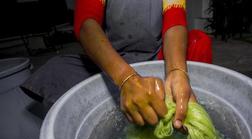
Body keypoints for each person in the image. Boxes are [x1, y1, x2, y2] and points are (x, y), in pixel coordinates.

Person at [21, 0, 212, 129]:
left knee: (198, 43)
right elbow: (86, 24)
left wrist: (176, 71)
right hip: (112, 60)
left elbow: (175, 23)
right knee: (57, 70)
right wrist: (125, 78)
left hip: (156, 57)